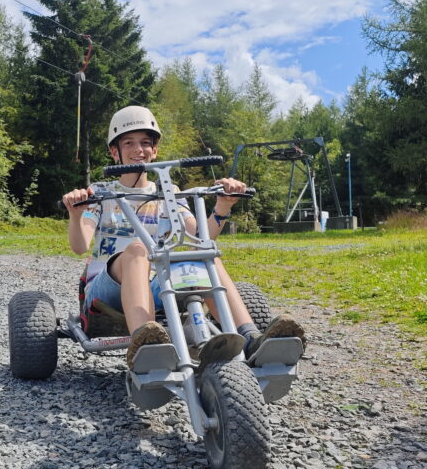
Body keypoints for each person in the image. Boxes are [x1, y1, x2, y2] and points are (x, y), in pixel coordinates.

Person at [61, 105, 305, 367]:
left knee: (203, 255)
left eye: (145, 142)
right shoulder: (101, 193)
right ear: (114, 151)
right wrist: (76, 215)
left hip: (156, 286)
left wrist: (223, 207)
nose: (138, 150)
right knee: (137, 250)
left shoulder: (170, 194)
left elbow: (201, 237)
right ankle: (146, 345)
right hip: (107, 288)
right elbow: (79, 246)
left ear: (155, 150)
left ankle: (251, 338)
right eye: (129, 143)